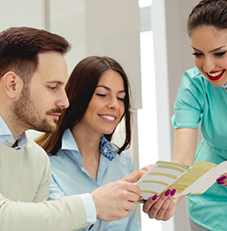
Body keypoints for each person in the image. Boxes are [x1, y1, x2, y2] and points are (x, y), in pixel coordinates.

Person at [0, 27, 144, 231]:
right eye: (53, 87)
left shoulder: (37, 159)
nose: (65, 101)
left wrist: (122, 197)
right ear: (12, 85)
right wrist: (94, 204)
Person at [142, 0, 227, 230]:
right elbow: (182, 160)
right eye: (198, 54)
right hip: (212, 204)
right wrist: (170, 195)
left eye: (219, 53)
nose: (208, 67)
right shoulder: (193, 84)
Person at [36, 56, 145, 231]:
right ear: (78, 95)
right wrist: (99, 206)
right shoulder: (43, 162)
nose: (115, 105)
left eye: (121, 98)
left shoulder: (123, 162)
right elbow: (55, 225)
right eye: (103, 95)